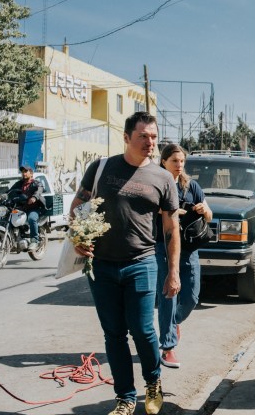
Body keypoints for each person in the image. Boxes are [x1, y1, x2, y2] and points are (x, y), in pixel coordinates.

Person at [69, 112, 180, 415]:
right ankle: (125, 397)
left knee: (144, 331)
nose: (150, 142)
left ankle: (153, 381)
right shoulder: (101, 168)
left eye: (154, 136)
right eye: (143, 136)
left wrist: (173, 272)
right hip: (102, 266)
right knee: (114, 333)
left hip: (142, 263)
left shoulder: (163, 178)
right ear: (127, 137)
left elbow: (171, 230)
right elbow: (78, 205)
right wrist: (79, 235)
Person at [156, 144, 213, 368]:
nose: (179, 165)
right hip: (164, 247)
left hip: (189, 248)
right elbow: (147, 211)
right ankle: (168, 347)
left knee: (191, 298)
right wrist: (169, 212)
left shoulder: (192, 185)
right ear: (163, 162)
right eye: (174, 161)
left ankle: (172, 324)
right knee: (168, 296)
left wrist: (202, 210)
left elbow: (209, 215)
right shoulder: (157, 184)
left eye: (181, 161)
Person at [9, 165, 46, 251]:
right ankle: (15, 239)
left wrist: (34, 198)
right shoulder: (19, 183)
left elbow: (39, 190)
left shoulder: (36, 183)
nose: (24, 173)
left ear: (31, 173)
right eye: (23, 172)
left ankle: (34, 240)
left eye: (26, 171)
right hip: (22, 208)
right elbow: (10, 191)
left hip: (34, 208)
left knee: (32, 219)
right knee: (10, 218)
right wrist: (2, 196)